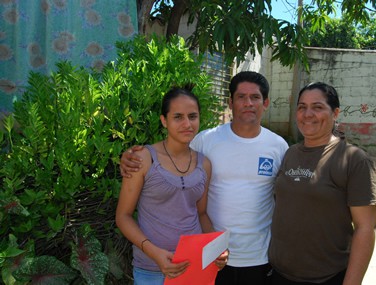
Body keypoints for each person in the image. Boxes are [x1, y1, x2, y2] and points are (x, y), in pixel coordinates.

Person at [120, 71, 289, 285]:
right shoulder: (206, 141)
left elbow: (291, 196)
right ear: (230, 102)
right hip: (184, 262)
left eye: (255, 97)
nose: (248, 103)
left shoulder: (278, 146)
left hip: (248, 257)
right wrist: (129, 159)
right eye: (241, 97)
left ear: (265, 103)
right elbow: (169, 158)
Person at [268, 82, 376, 285]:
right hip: (278, 273)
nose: (307, 114)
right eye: (302, 107)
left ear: (335, 113)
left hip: (326, 277)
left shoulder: (354, 160)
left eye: (317, 107)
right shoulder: (290, 153)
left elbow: (366, 228)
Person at [115, 86, 227, 285]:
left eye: (192, 116)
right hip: (151, 268)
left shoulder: (204, 164)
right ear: (164, 121)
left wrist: (216, 248)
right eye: (178, 117)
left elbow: (201, 214)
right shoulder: (143, 158)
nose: (187, 124)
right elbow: (123, 217)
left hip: (194, 266)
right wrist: (154, 253)